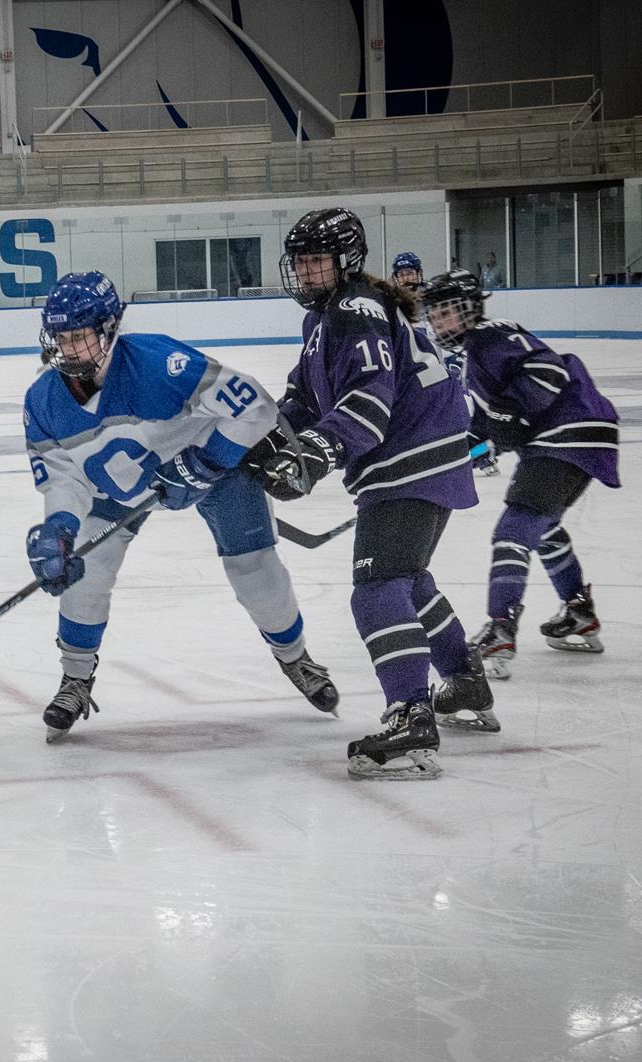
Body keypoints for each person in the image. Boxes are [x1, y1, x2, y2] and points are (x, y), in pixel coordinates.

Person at [23, 271, 340, 743]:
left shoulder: (159, 362)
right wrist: (61, 528)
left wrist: (207, 461)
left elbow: (254, 404)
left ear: (109, 330)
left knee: (254, 568)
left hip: (212, 469)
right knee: (86, 570)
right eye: (61, 338)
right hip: (120, 490)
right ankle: (75, 678)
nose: (68, 350)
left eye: (80, 337)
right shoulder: (42, 400)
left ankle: (295, 657)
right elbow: (65, 479)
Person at [251, 207, 488, 780]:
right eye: (301, 263)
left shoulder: (356, 310)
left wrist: (316, 452)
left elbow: (368, 401)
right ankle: (466, 680)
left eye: (317, 262)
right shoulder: (328, 321)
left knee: (377, 587)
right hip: (432, 458)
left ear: (346, 262)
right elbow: (303, 402)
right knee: (408, 580)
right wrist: (257, 443)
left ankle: (411, 718)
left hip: (409, 460)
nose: (306, 274)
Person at [422, 269, 619, 683]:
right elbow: (484, 425)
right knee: (541, 529)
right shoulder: (474, 356)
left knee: (514, 531)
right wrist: (457, 456)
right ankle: (578, 611)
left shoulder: (492, 334)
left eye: (446, 311)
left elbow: (549, 372)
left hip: (567, 431)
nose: (439, 321)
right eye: (434, 314)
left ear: (470, 308)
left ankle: (499, 628)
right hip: (580, 435)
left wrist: (511, 411)